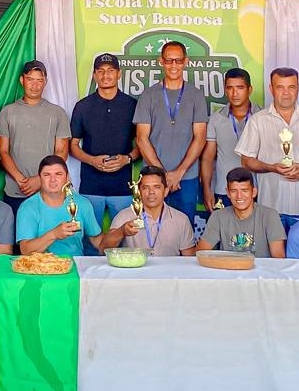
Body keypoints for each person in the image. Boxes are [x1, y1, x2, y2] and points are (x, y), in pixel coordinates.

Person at [133, 41, 209, 226]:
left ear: (186, 62)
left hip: (187, 178)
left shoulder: (196, 96)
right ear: (161, 61)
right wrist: (163, 175)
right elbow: (142, 139)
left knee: (185, 230)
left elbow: (200, 138)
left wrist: (179, 173)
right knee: (151, 229)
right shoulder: (148, 96)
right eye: (169, 61)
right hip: (154, 179)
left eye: (178, 60)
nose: (173, 65)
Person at [234, 68, 299, 230]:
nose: (286, 93)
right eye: (280, 87)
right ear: (271, 89)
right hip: (271, 208)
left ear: (298, 88)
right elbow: (246, 161)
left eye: (291, 87)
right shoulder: (257, 121)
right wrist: (272, 168)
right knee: (272, 255)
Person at [71, 53, 138, 248]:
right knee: (91, 243)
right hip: (91, 187)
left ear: (119, 74)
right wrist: (91, 160)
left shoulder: (132, 105)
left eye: (110, 71)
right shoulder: (83, 107)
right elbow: (73, 146)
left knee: (126, 241)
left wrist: (127, 159)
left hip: (123, 188)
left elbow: (142, 144)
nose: (105, 75)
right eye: (100, 71)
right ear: (94, 75)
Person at [0, 60, 71, 214]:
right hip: (16, 190)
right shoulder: (7, 112)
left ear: (46, 82)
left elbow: (61, 152)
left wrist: (40, 180)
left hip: (49, 190)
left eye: (39, 80)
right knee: (19, 237)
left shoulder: (57, 113)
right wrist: (20, 180)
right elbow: (2, 151)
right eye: (30, 79)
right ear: (22, 80)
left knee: (50, 236)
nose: (35, 85)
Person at [16, 155, 125, 256]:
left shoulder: (82, 203)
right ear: (40, 179)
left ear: (67, 177)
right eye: (46, 175)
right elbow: (25, 250)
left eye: (58, 174)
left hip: (75, 266)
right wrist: (54, 234)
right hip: (40, 268)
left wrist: (121, 232)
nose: (53, 180)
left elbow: (100, 244)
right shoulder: (28, 207)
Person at [201, 68, 259, 217]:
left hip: (256, 190)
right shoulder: (216, 119)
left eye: (240, 88)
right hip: (224, 191)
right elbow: (208, 158)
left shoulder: (262, 117)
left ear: (249, 89)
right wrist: (207, 190)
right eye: (230, 88)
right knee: (225, 237)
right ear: (225, 90)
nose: (235, 93)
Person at [195, 167, 286, 258]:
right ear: (228, 193)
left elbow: (278, 258)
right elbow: (200, 253)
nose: (239, 196)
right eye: (234, 191)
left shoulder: (270, 216)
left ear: (254, 192)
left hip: (260, 271)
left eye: (244, 190)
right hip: (228, 270)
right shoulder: (218, 216)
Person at [108, 166, 197, 256]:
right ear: (139, 191)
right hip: (135, 270)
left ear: (165, 191)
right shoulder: (124, 216)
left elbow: (188, 260)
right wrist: (122, 231)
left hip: (168, 270)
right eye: (145, 187)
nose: (151, 192)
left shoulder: (181, 220)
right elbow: (103, 248)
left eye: (157, 187)